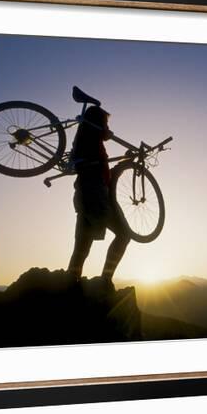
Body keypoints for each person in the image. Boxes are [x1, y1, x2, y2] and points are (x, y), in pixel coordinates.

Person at [67, 105, 131, 285]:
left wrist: (124, 162)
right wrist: (105, 132)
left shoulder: (89, 143)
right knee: (124, 234)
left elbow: (104, 174)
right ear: (96, 123)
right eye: (105, 122)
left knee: (82, 245)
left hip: (85, 195)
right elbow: (102, 134)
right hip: (94, 195)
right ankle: (105, 280)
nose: (108, 127)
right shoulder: (89, 135)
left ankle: (71, 280)